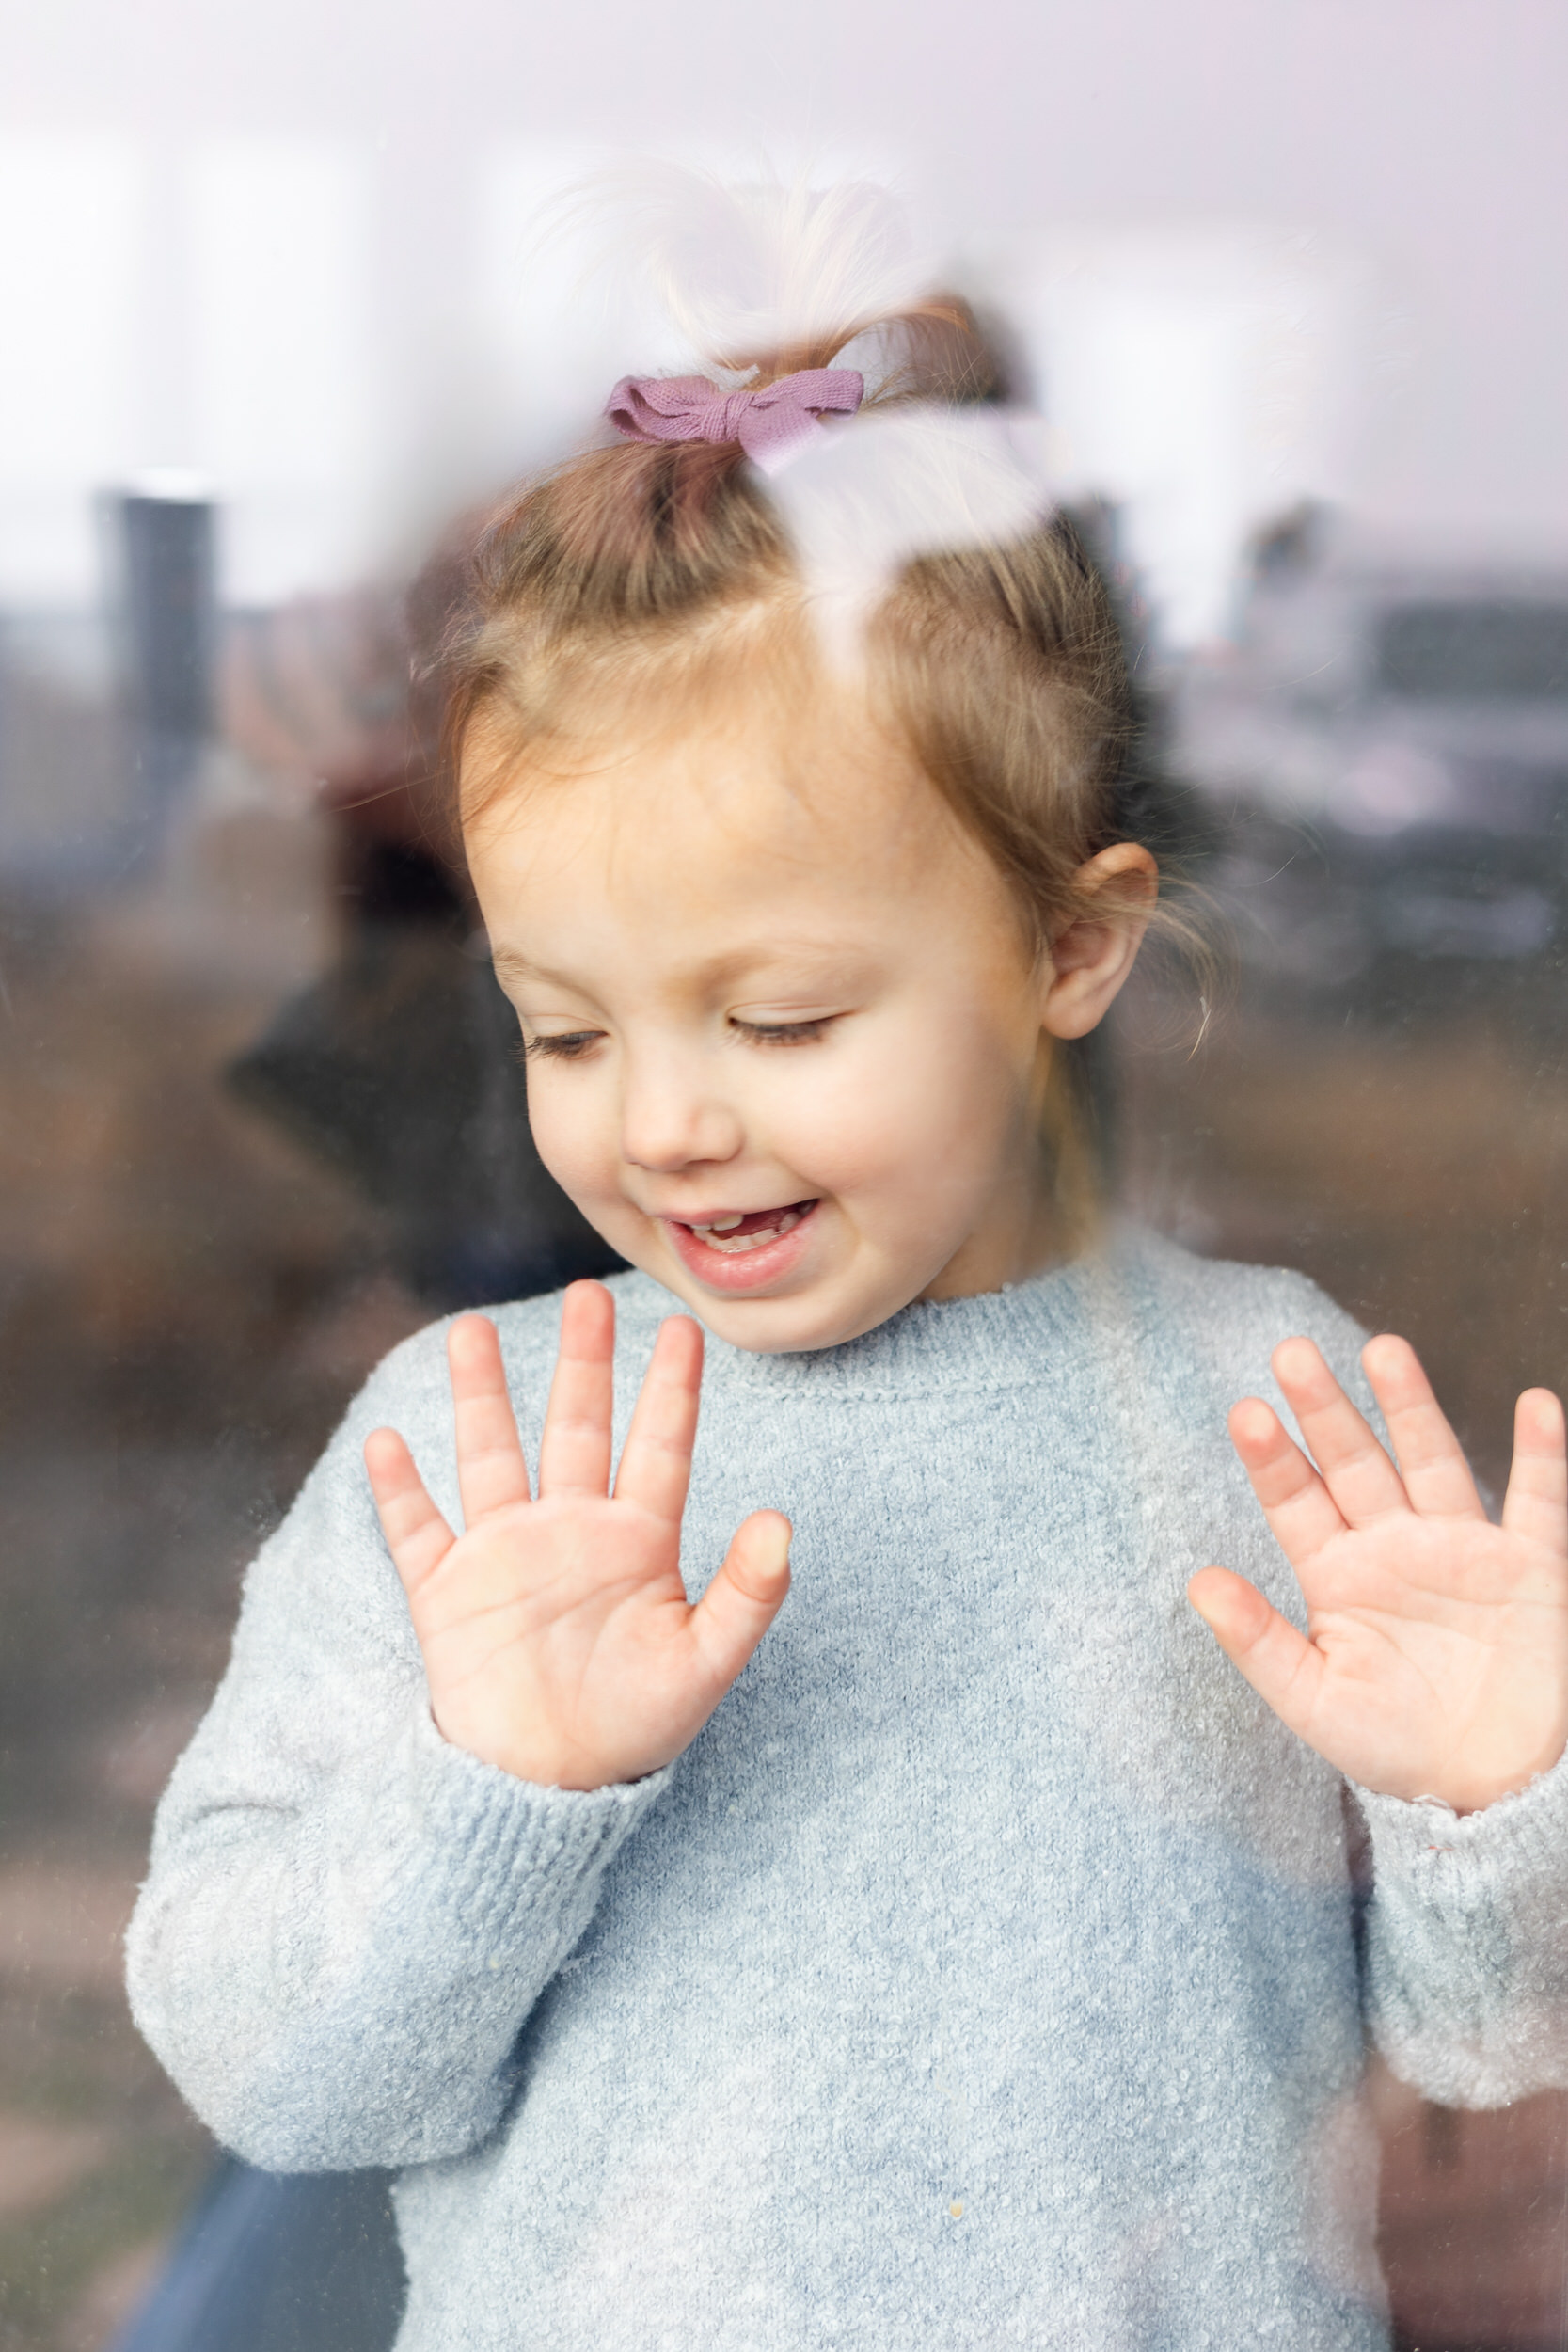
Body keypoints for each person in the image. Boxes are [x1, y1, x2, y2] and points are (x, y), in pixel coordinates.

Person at [125, 179, 1568, 2350]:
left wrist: (1492, 1801)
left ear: (1070, 943)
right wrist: (495, 1788)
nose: (665, 1115)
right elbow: (281, 2074)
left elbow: (1473, 2047)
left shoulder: (1268, 1404)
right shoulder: (472, 1444)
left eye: (780, 1017)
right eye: (568, 1027)